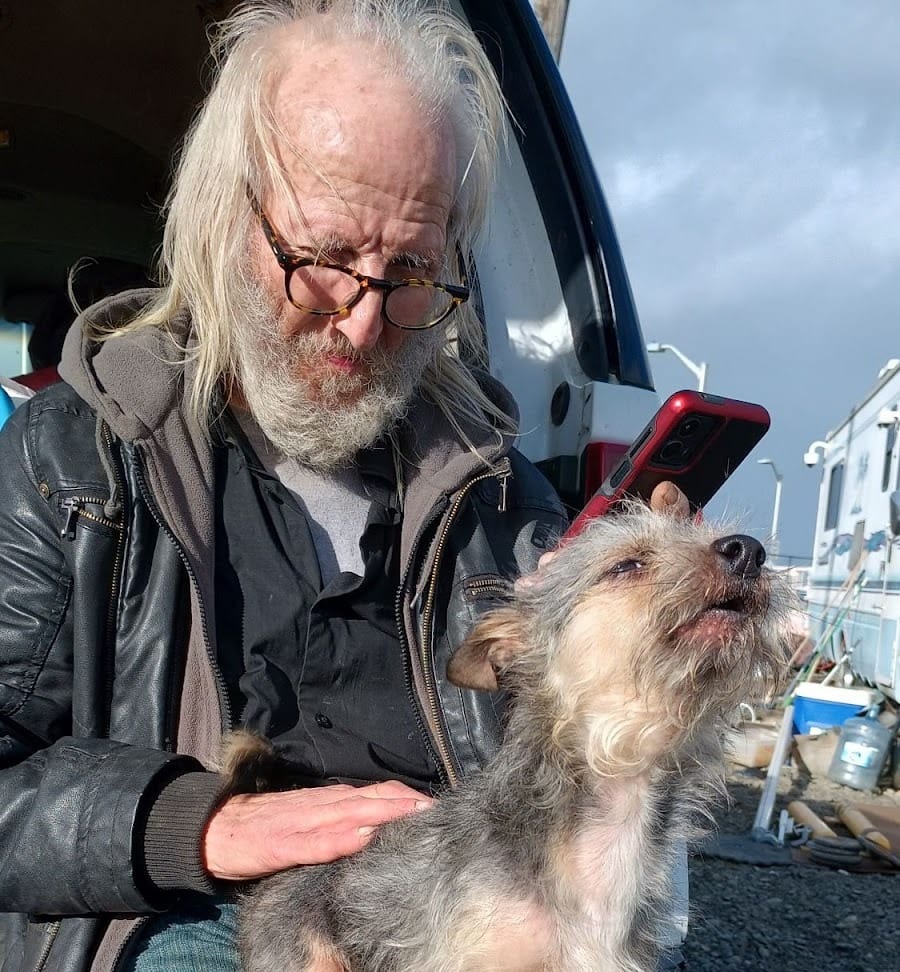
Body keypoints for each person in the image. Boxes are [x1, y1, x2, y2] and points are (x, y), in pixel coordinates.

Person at [0, 2, 689, 970]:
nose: (363, 326)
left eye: (411, 272)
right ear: (223, 220)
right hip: (196, 906)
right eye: (321, 262)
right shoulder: (71, 460)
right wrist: (193, 826)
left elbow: (581, 760)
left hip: (464, 895)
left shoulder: (499, 486)